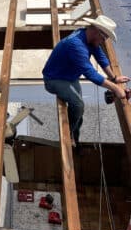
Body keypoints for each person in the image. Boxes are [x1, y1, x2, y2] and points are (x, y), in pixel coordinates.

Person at [42, 15, 130, 150]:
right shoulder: (75, 44)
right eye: (104, 38)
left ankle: (76, 140)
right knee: (78, 105)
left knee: (79, 112)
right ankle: (68, 135)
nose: (103, 41)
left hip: (70, 77)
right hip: (55, 79)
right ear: (96, 31)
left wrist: (113, 78)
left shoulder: (88, 38)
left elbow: (101, 57)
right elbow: (90, 73)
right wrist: (116, 89)